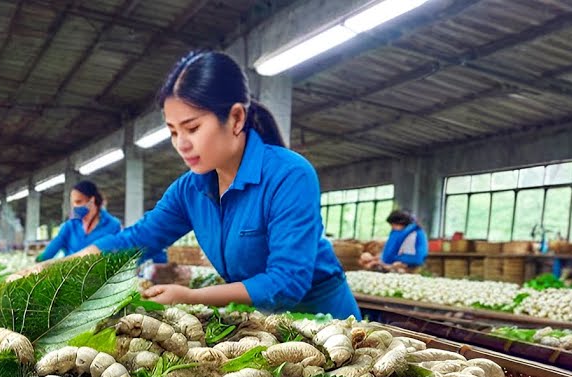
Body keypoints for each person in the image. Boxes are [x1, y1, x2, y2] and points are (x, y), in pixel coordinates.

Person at [22, 50, 360, 320]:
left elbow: (288, 281)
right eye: (172, 132)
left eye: (192, 128)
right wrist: (51, 267)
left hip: (326, 324)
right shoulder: (190, 190)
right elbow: (137, 240)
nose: (181, 143)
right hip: (264, 325)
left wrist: (194, 298)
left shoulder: (289, 175)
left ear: (237, 118)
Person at [36, 180, 124, 262]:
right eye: (73, 203)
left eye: (78, 202)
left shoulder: (113, 225)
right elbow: (52, 249)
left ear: (91, 200)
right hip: (71, 274)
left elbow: (121, 252)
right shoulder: (69, 226)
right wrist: (37, 262)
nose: (74, 207)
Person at [360, 209, 427, 272]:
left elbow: (410, 258)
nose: (392, 227)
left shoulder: (413, 234)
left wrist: (388, 264)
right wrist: (378, 258)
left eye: (393, 225)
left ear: (401, 222)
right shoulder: (398, 233)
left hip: (406, 265)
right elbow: (390, 251)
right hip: (396, 262)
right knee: (367, 263)